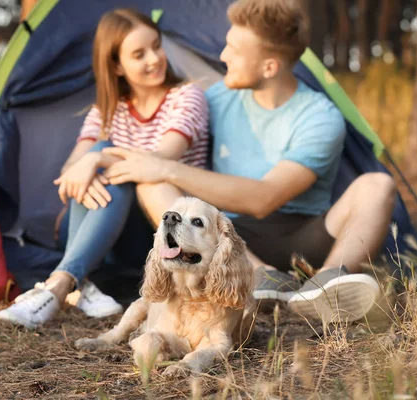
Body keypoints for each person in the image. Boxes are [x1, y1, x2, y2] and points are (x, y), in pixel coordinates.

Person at [101, 0, 396, 323]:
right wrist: (90, 157)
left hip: (305, 234)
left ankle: (325, 283)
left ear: (269, 67)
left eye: (233, 49)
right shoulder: (214, 100)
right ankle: (259, 276)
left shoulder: (319, 117)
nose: (223, 56)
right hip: (230, 239)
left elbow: (264, 199)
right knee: (152, 182)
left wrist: (167, 167)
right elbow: (150, 139)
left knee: (378, 184)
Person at [0, 8, 209, 329]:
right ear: (116, 66)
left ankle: (60, 285)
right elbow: (69, 176)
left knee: (112, 164)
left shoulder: (186, 96)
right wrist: (89, 161)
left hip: (156, 231)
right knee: (99, 156)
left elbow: (161, 158)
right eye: (139, 54)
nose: (154, 58)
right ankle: (75, 282)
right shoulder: (107, 112)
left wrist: (97, 159)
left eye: (156, 45)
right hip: (101, 229)